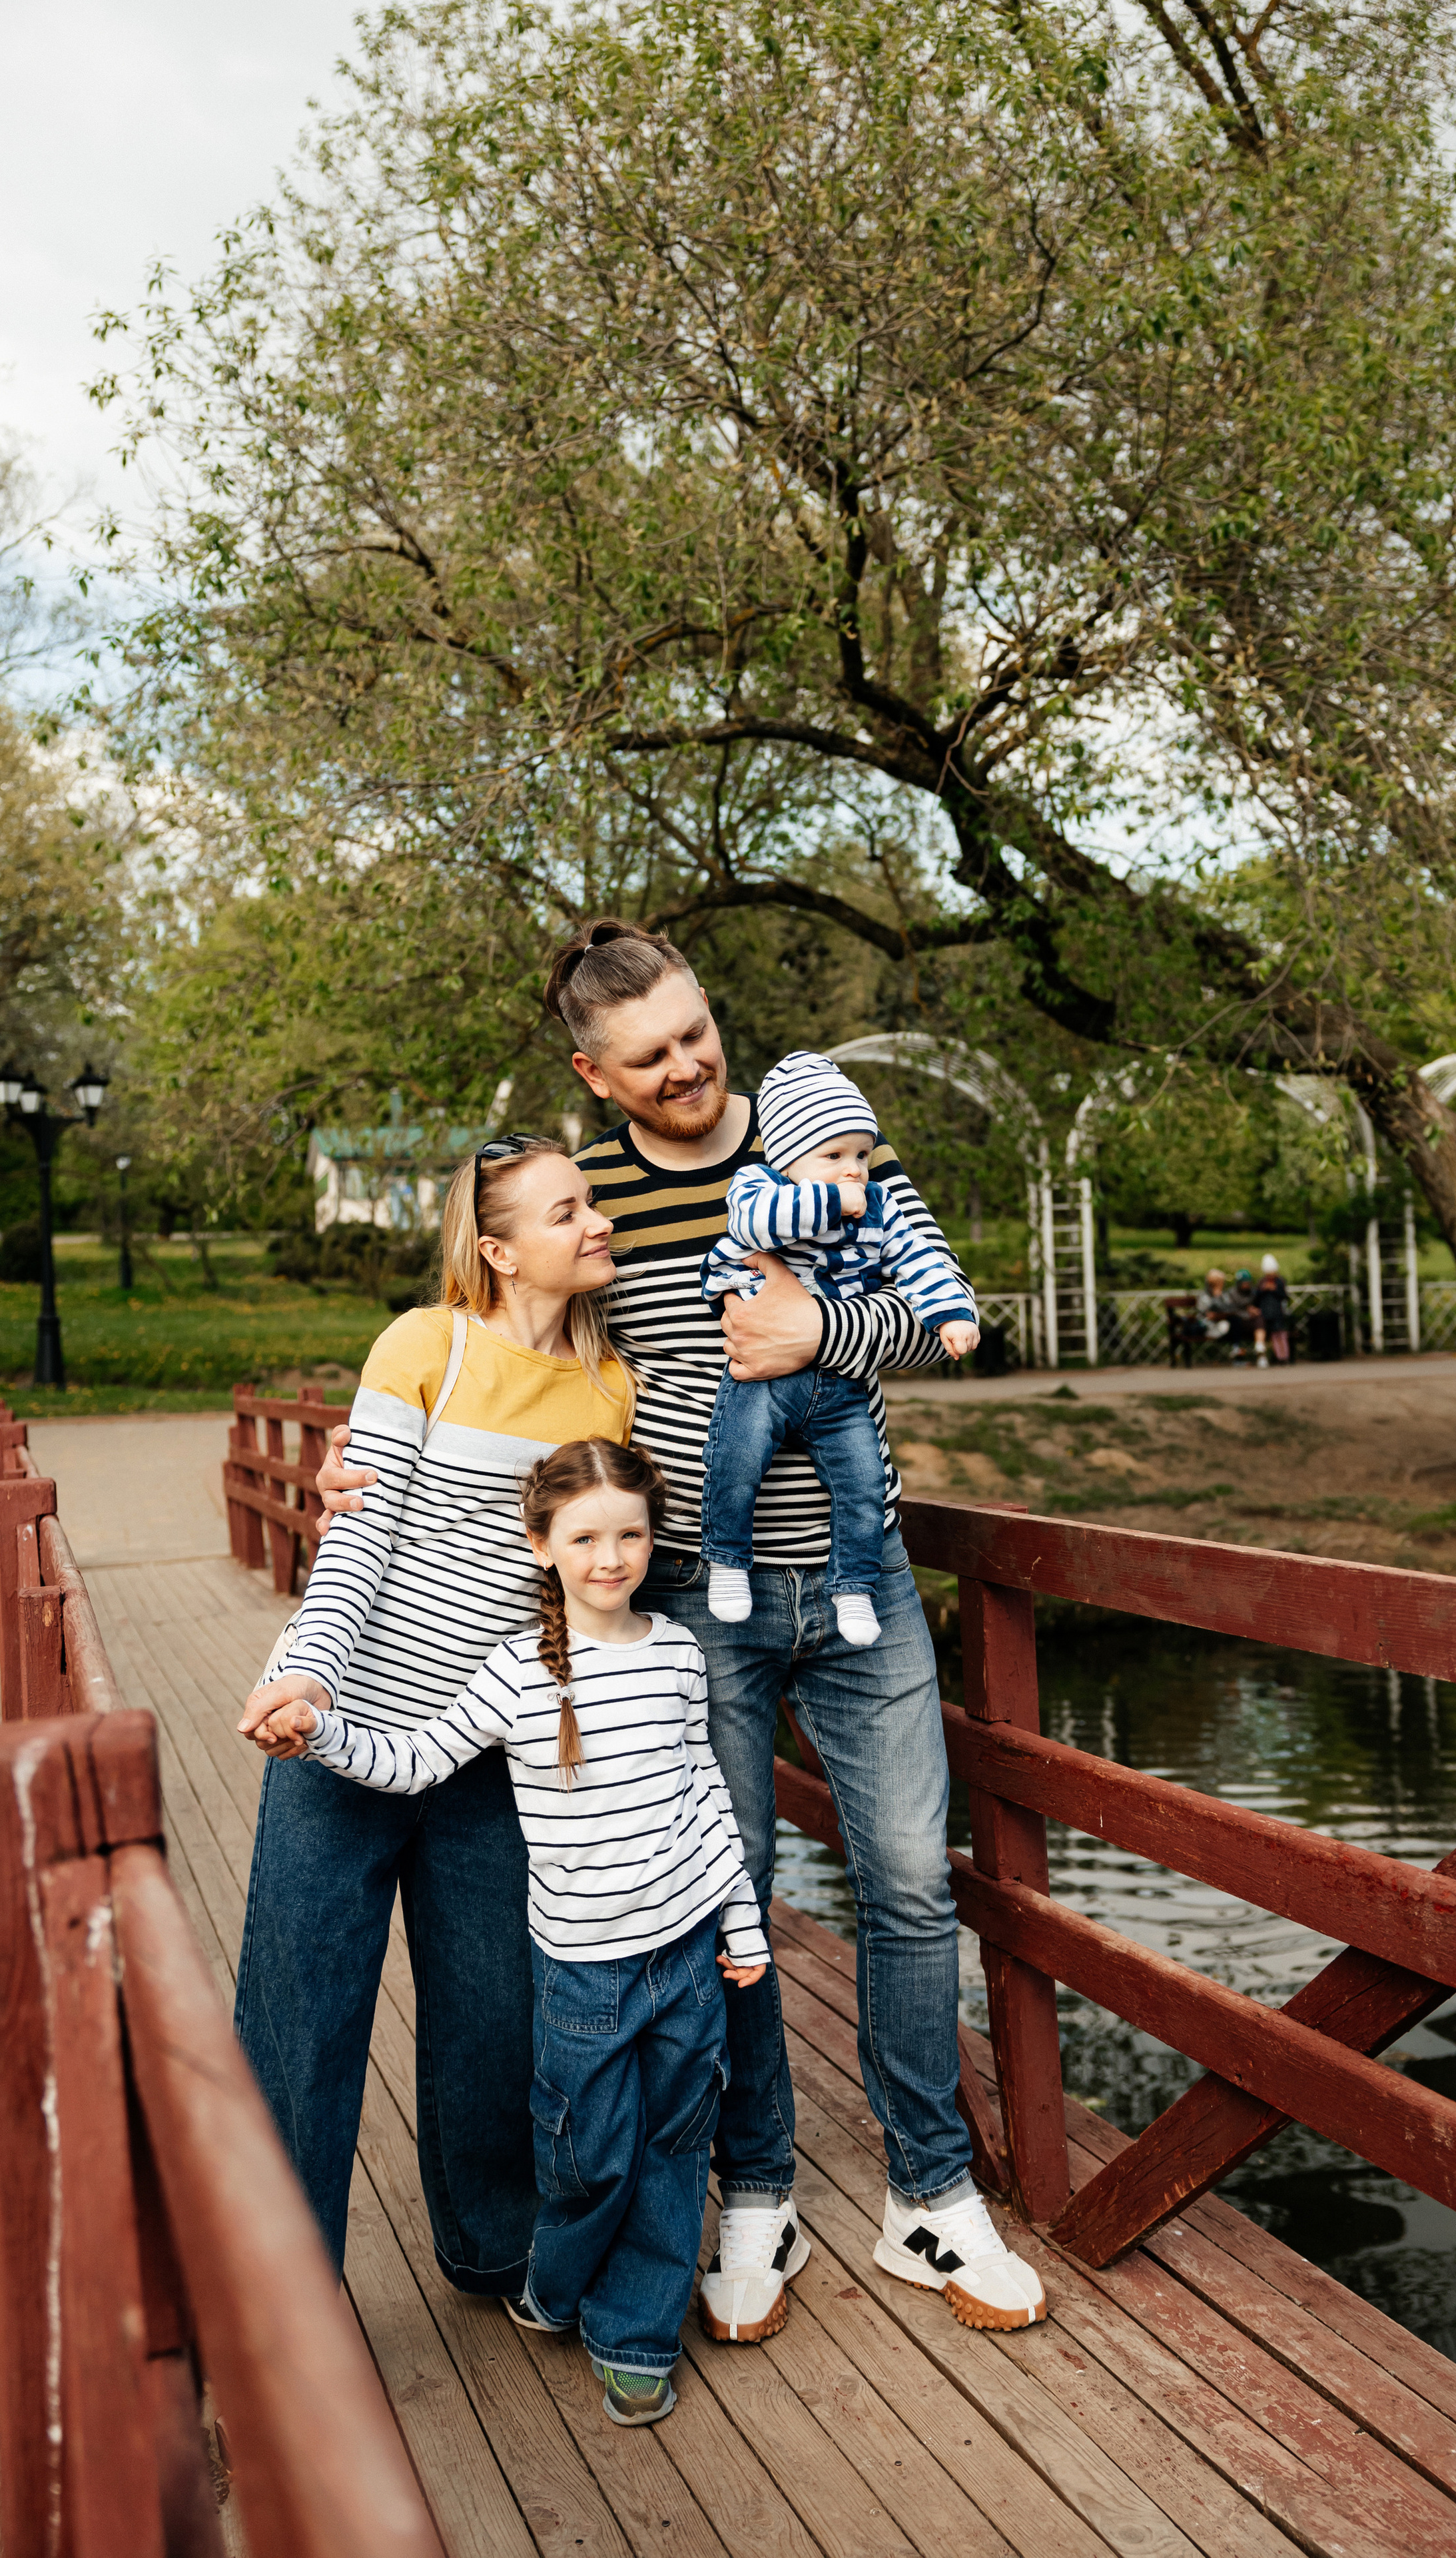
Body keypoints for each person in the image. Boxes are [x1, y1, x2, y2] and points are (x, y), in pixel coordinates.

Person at [312, 920, 1046, 2345]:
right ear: (595, 1076)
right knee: (735, 1904)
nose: (687, 1069)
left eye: (695, 1035)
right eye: (648, 1060)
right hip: (689, 1605)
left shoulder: (827, 1134)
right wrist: (366, 1454)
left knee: (906, 1879)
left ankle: (930, 2195)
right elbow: (513, 1357)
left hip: (857, 1580)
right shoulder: (587, 1203)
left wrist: (815, 1341)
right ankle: (754, 2193)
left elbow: (934, 1306)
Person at [249, 1440, 766, 2431]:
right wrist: (321, 1731)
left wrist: (739, 1924)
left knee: (670, 2149)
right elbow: (413, 1762)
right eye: (585, 1537)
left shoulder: (677, 1654)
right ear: (542, 1546)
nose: (610, 1557)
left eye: (630, 1535)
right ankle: (559, 2278)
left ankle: (636, 2338)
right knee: (590, 2153)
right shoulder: (518, 1674)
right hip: (583, 1974)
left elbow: (707, 1798)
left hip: (687, 1960)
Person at [232, 1138, 633, 2304]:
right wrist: (308, 1679)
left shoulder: (611, 1388)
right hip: (338, 1736)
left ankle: (493, 2249)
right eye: (571, 1211)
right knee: (302, 2027)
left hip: (480, 1755)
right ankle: (280, 2302)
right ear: (500, 1250)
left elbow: (588, 1576)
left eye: (594, 1202)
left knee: (492, 2021)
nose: (597, 1221)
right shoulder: (428, 1345)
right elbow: (356, 1542)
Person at [700, 1050, 980, 1647]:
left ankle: (854, 1585)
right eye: (834, 1156)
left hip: (841, 1385)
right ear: (786, 1156)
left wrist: (950, 1314)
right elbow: (754, 1226)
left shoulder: (880, 1204)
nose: (854, 1169)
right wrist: (831, 1203)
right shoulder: (759, 1185)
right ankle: (726, 1557)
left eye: (860, 1153)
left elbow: (921, 1261)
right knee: (737, 1458)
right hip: (762, 1382)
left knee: (863, 1482)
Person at [1256, 1253, 1292, 1363]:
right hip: (1266, 1313)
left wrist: (1275, 1290)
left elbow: (1285, 1296)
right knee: (1272, 1336)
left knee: (1280, 1334)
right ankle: (1276, 1356)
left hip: (1278, 1313)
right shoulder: (1262, 1282)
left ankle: (1284, 1356)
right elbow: (1257, 1297)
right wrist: (1264, 1289)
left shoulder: (1280, 1282)